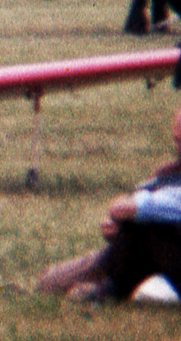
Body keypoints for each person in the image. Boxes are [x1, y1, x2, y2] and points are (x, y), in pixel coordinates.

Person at [35, 108, 181, 302]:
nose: (178, 146)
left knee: (145, 224)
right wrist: (116, 224)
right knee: (50, 282)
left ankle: (111, 290)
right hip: (148, 256)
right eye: (177, 140)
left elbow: (139, 207)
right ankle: (112, 285)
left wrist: (129, 211)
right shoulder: (169, 173)